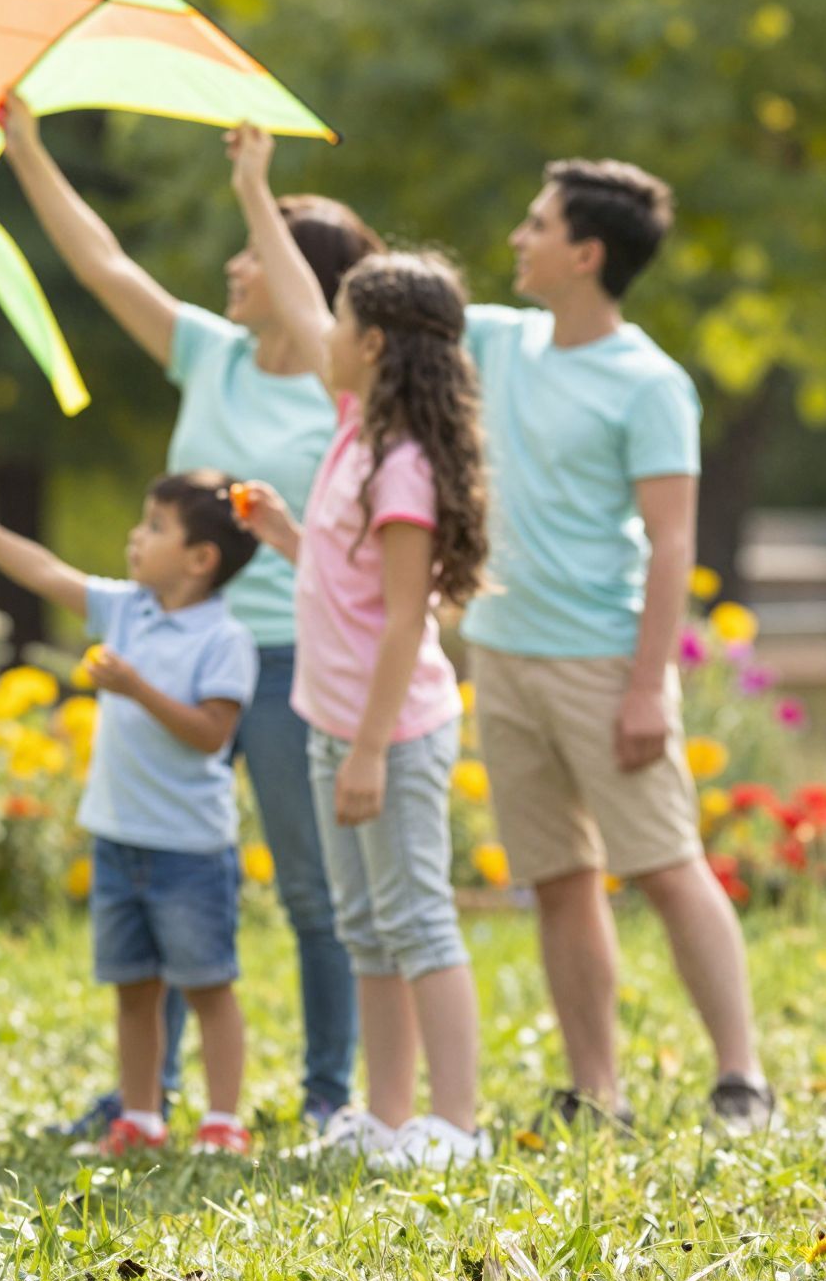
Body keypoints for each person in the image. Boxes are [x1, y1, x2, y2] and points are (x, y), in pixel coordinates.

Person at [2, 96, 377, 1127]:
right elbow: (101, 264)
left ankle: (327, 1096)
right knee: (158, 868)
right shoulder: (209, 354)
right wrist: (25, 147)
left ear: (301, 273)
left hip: (291, 662)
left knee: (309, 886)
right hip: (176, 656)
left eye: (255, 253)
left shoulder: (343, 395)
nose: (234, 267)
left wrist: (256, 184)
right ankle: (144, 1095)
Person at [462, 163, 771, 1132]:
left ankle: (741, 1079)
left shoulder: (648, 385)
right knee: (555, 879)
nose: (517, 237)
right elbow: (371, 299)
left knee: (665, 864)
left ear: (584, 254)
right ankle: (596, 1092)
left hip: (600, 665)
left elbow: (670, 542)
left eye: (535, 223)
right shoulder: (498, 341)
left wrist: (647, 689)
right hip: (500, 655)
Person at [229, 133, 490, 1164]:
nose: (320, 328)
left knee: (417, 921)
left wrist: (373, 749)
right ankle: (384, 1121)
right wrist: (290, 538)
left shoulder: (405, 469)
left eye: (340, 319)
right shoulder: (353, 430)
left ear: (374, 340)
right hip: (337, 725)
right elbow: (344, 582)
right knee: (366, 928)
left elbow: (399, 618)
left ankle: (455, 1127)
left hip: (392, 731)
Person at [0, 474, 260, 1155]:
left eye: (156, 527)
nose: (136, 537)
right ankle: (140, 1119)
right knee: (133, 987)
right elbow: (46, 571)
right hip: (120, 840)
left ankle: (224, 1121)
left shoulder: (225, 640)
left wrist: (134, 687)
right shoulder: (127, 610)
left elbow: (211, 734)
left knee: (208, 987)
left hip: (190, 850)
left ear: (201, 559)